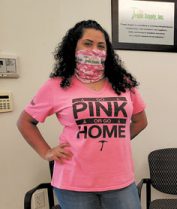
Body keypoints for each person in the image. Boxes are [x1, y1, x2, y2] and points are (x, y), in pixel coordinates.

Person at [17, 20, 147, 209]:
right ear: (73, 47)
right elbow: (25, 121)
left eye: (101, 46)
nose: (95, 49)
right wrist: (46, 152)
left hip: (120, 180)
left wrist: (115, 138)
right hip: (74, 182)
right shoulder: (57, 85)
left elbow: (140, 121)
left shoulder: (123, 82)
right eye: (88, 43)